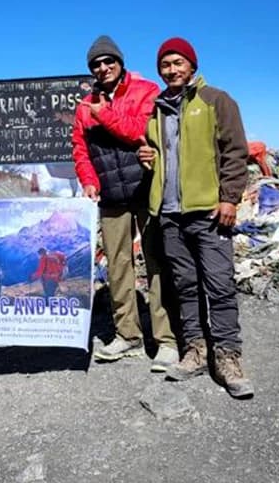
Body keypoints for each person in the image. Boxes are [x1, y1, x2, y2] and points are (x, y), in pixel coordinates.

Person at [138, 37, 254, 399]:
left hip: (209, 212)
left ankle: (228, 357)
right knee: (184, 286)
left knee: (219, 285)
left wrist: (229, 198)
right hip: (170, 214)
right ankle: (196, 351)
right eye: (165, 65)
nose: (171, 70)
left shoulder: (216, 100)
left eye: (178, 63)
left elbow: (235, 152)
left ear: (192, 65)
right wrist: (148, 158)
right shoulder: (157, 109)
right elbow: (158, 154)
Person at [71, 35, 178, 372]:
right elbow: (80, 149)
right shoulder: (84, 106)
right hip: (111, 197)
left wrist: (105, 114)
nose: (103, 68)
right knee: (117, 266)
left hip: (146, 190)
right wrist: (88, 180)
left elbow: (142, 132)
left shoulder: (146, 91)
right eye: (96, 64)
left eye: (109, 61)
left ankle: (166, 340)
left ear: (120, 63)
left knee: (157, 262)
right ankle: (128, 335)